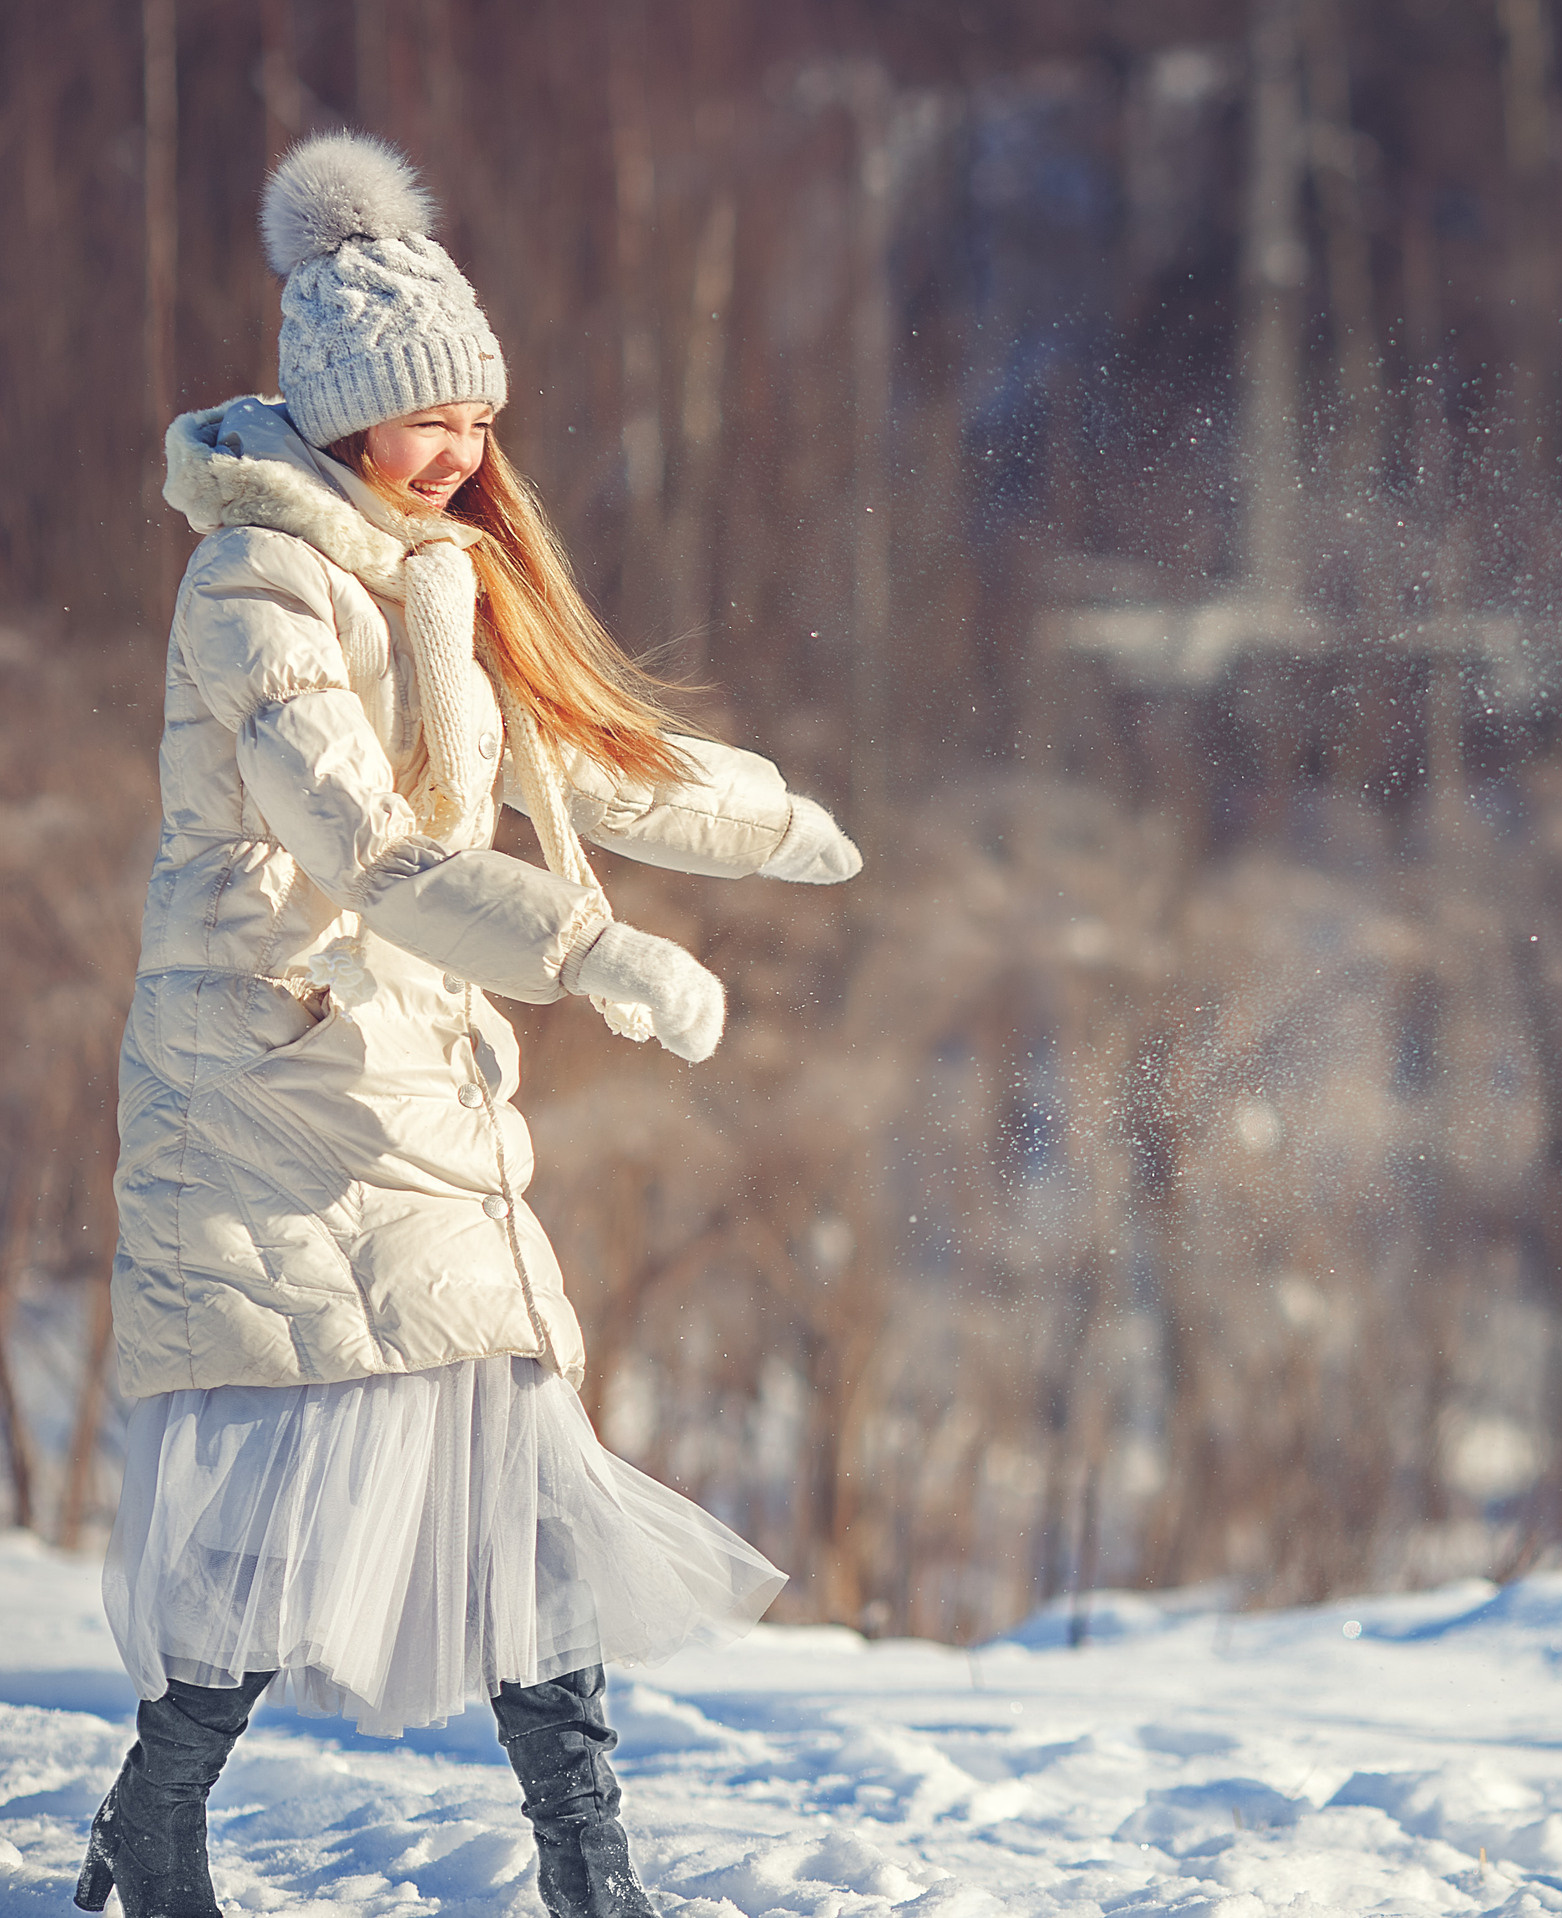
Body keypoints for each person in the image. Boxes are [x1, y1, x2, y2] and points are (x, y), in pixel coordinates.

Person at [78, 132, 864, 1918]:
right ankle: (163, 1812)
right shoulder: (258, 591)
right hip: (274, 1073)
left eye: (483, 417)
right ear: (347, 411)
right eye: (434, 417)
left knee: (500, 1453)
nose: (467, 451)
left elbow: (584, 756)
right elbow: (363, 846)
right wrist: (591, 954)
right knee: (316, 1473)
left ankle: (590, 1871)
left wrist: (786, 829)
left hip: (407, 1071)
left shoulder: (435, 567)